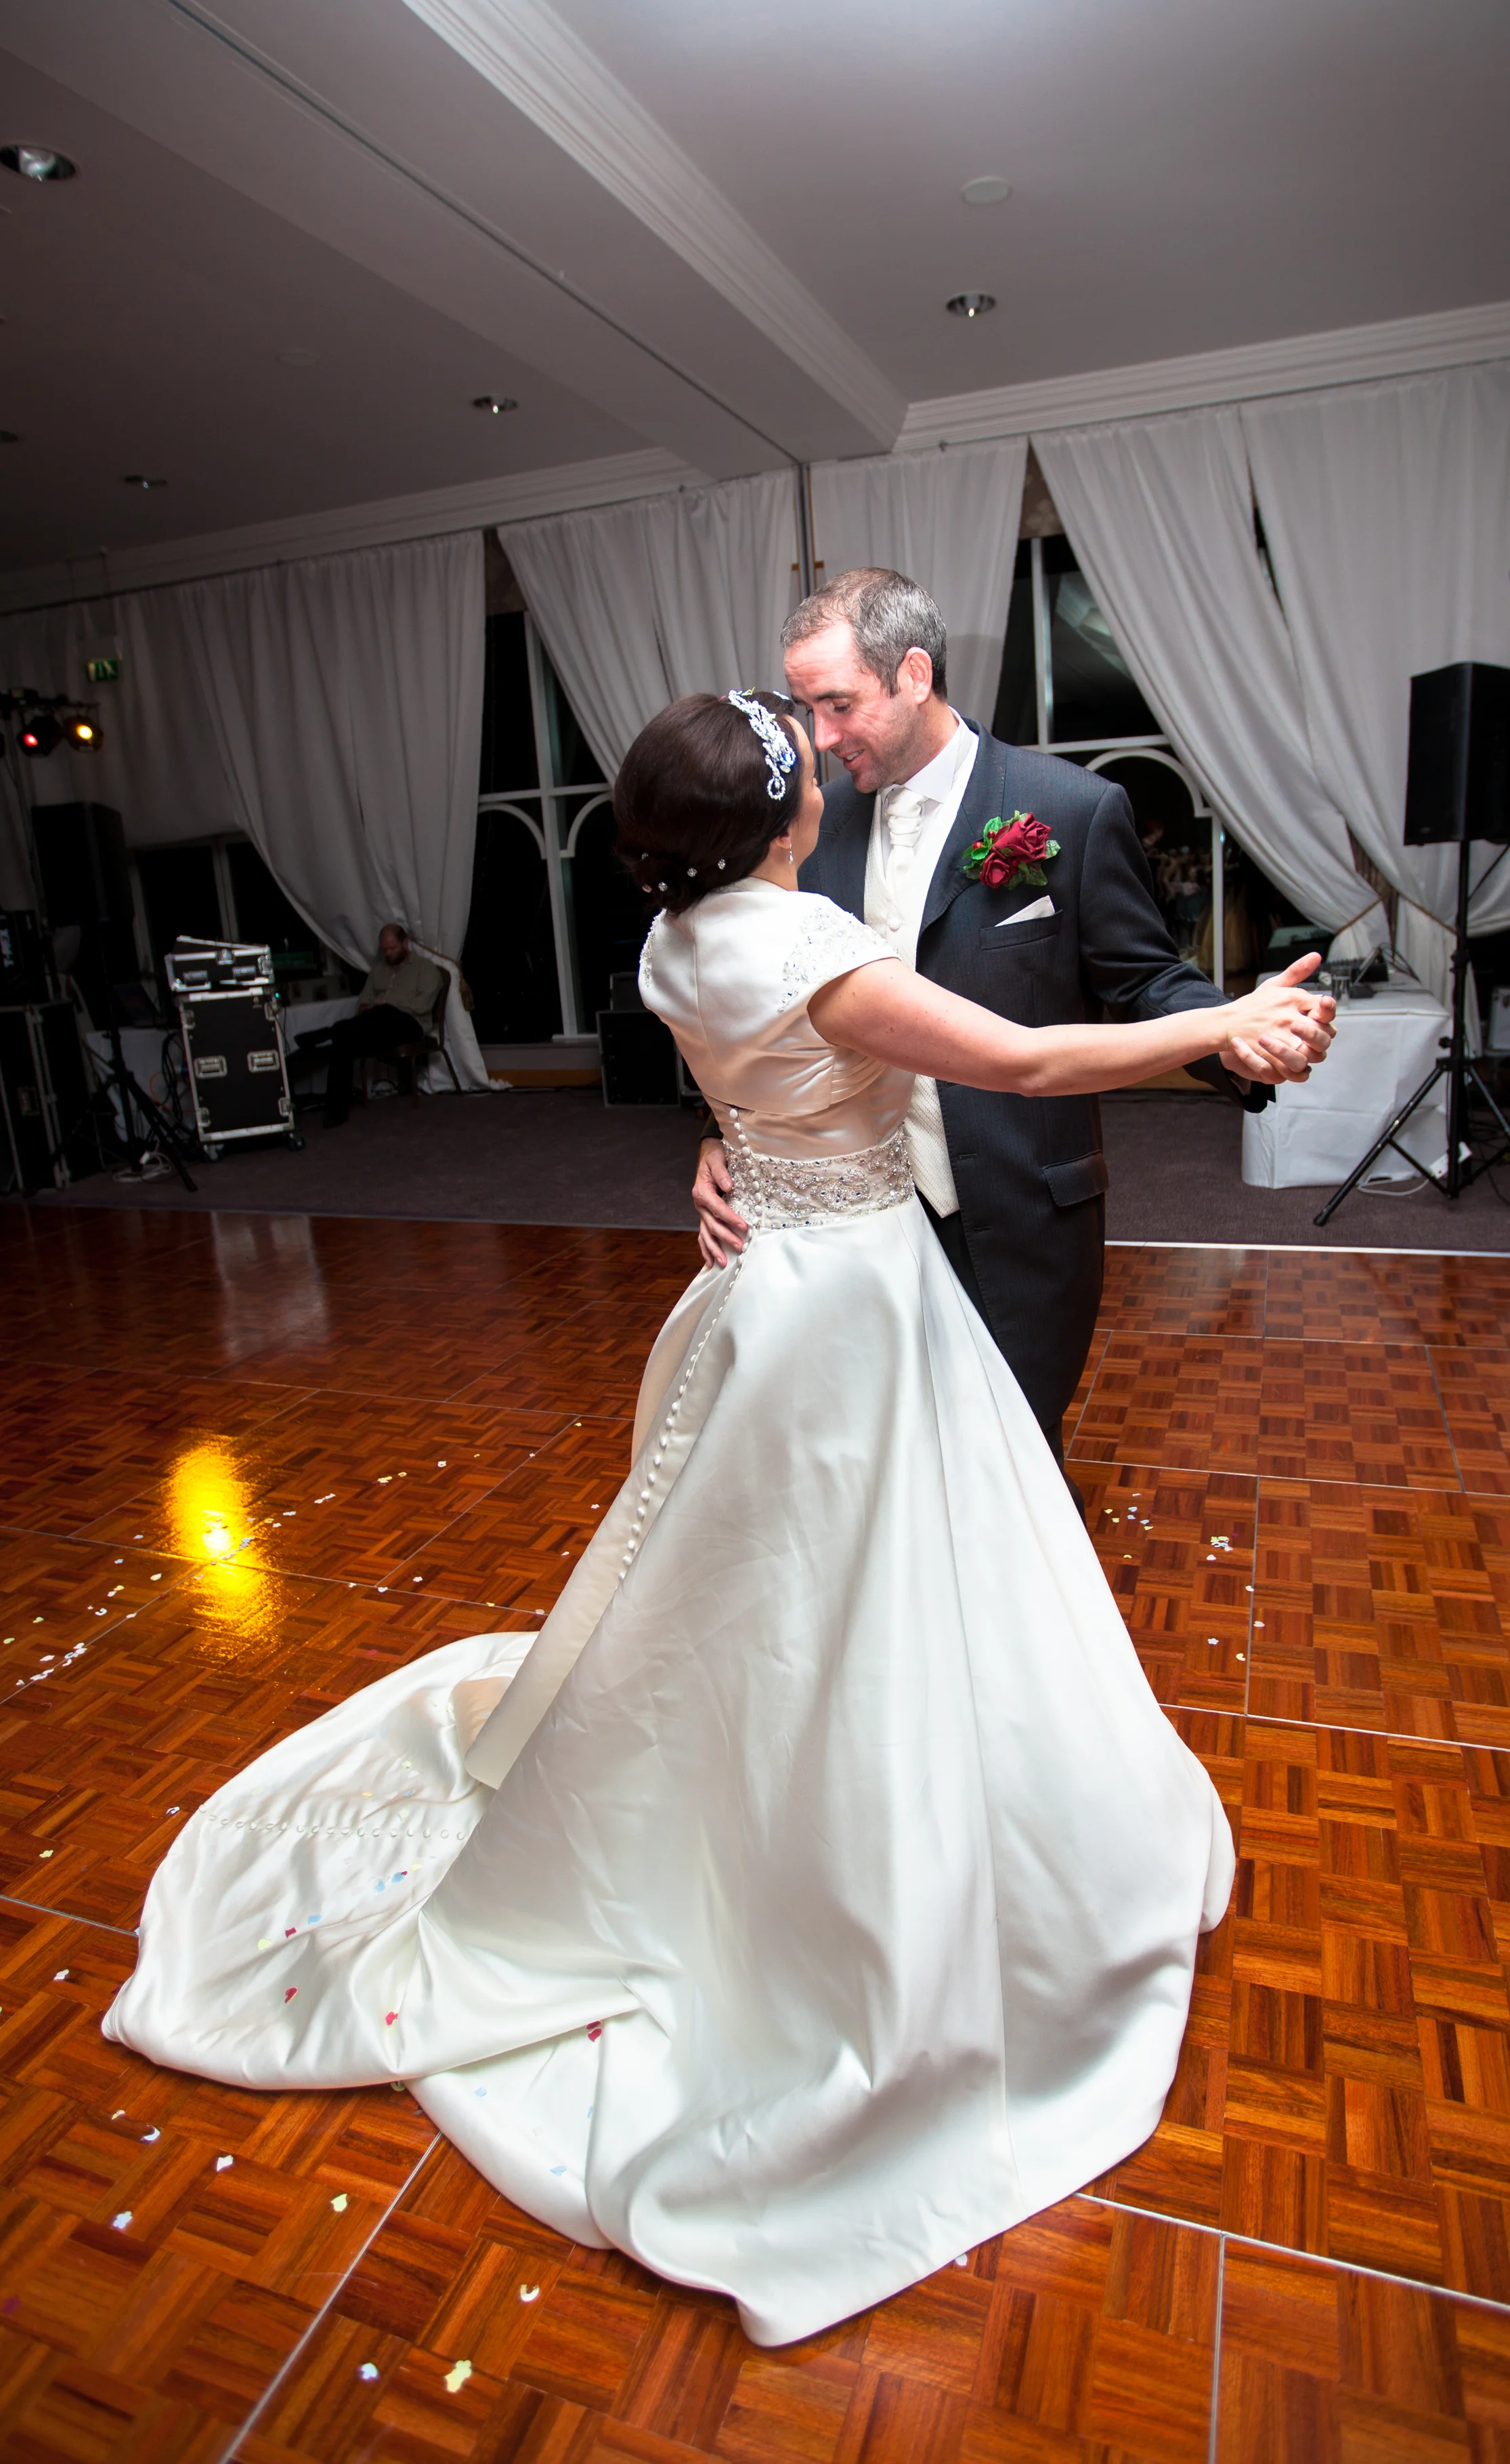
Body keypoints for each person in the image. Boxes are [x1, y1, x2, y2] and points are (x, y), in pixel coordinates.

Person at [104, 692, 1333, 2350]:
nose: (829, 771)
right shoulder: (803, 933)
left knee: (795, 1597)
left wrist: (731, 1146)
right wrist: (1227, 1018)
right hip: (852, 1311)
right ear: (777, 818)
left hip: (787, 1292)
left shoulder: (682, 937)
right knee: (863, 1591)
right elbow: (1027, 1060)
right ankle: (862, 1886)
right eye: (808, 763)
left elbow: (768, 1086)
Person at [693, 570, 1335, 1462]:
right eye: (808, 710)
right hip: (851, 1225)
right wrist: (726, 1132)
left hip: (1016, 1210)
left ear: (914, 674)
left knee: (1015, 1467)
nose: (823, 737)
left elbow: (1147, 978)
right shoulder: (806, 826)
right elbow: (762, 1002)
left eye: (838, 705)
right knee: (875, 1464)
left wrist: (1235, 1034)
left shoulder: (1071, 809)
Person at [296, 922, 440, 1127]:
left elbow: (422, 1005)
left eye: (393, 948)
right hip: (375, 1026)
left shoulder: (425, 968)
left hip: (410, 1025)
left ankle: (329, 1032)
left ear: (405, 943)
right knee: (344, 1041)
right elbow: (363, 1001)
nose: (389, 953)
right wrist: (368, 1007)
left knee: (384, 1012)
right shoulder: (378, 971)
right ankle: (336, 1111)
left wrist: (388, 1004)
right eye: (385, 949)